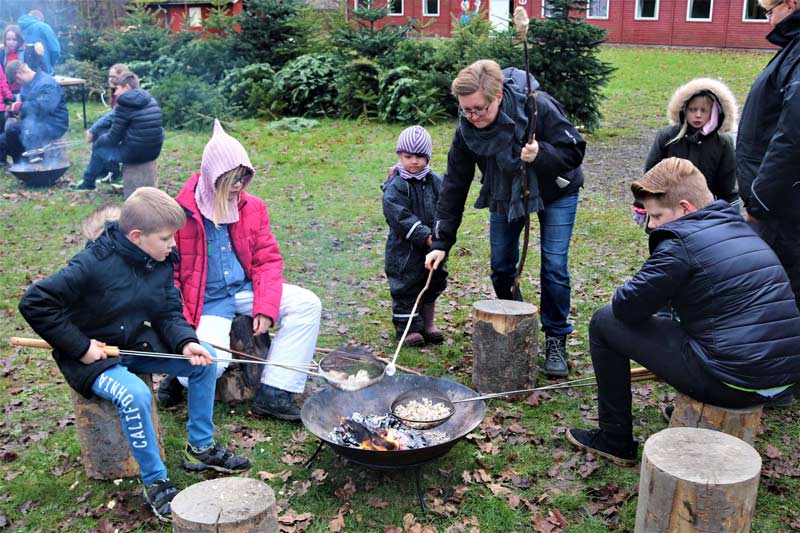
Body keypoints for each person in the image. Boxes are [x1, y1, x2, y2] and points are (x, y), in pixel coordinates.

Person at [18, 188, 251, 521]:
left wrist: (185, 341)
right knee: (136, 394)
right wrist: (81, 347)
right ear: (138, 236)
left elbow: (169, 311)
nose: (173, 245)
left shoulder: (158, 260)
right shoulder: (92, 264)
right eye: (167, 238)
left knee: (204, 361)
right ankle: (155, 481)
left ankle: (200, 448)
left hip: (134, 342)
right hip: (93, 356)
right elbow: (34, 302)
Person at [567, 158, 800, 466]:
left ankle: (614, 439)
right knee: (667, 319)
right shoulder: (739, 228)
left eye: (657, 215)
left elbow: (626, 307)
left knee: (603, 321)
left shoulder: (681, 243)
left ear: (686, 208)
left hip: (734, 382)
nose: (650, 225)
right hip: (782, 378)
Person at [424, 59, 585, 379]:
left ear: (497, 96)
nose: (472, 117)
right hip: (504, 191)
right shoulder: (466, 128)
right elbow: (455, 185)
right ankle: (521, 326)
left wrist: (541, 155)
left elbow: (574, 150)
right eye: (466, 110)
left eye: (479, 109)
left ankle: (555, 338)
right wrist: (441, 240)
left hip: (557, 189)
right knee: (501, 268)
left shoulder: (536, 106)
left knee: (553, 265)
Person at [166, 119, 322, 421]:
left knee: (307, 305)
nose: (240, 187)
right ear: (214, 178)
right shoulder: (178, 213)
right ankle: (176, 376)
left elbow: (267, 260)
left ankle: (275, 391)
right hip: (204, 303)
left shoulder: (253, 207)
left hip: (243, 291)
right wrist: (182, 332)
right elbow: (169, 279)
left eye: (244, 178)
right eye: (233, 180)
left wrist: (265, 306)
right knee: (210, 364)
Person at [736, 0, 800, 311]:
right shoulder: (793, 48)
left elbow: (791, 137)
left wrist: (759, 201)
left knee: (784, 299)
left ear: (790, 4)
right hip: (779, 207)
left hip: (783, 212)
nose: (768, 20)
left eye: (768, 10)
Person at [634, 77, 739, 227]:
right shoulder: (668, 136)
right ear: (684, 110)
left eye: (704, 110)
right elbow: (650, 173)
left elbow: (727, 186)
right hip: (667, 211)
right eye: (692, 109)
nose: (697, 115)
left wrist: (731, 216)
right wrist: (640, 203)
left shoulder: (722, 143)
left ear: (715, 112)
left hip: (702, 214)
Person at [382, 125, 448, 346]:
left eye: (420, 156)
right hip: (405, 249)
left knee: (433, 281)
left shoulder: (435, 181)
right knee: (406, 285)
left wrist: (440, 235)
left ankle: (428, 324)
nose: (414, 162)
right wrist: (424, 234)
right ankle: (407, 328)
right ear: (399, 155)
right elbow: (399, 215)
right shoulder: (396, 185)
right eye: (408, 156)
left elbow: (445, 207)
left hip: (433, 247)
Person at [70, 72, 163, 191]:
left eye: (118, 88)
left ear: (127, 87)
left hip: (135, 154)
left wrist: (97, 140)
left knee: (99, 149)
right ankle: (113, 174)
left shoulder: (124, 104)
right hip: (154, 151)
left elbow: (113, 138)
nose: (115, 93)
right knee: (107, 141)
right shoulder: (151, 99)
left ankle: (88, 183)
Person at [0, 60, 68, 166]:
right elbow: (29, 112)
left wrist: (20, 106)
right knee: (2, 140)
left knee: (13, 130)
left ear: (20, 72)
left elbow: (45, 108)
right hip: (36, 122)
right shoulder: (26, 86)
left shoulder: (47, 83)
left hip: (54, 123)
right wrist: (16, 113)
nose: (17, 84)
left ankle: (22, 165)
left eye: (16, 80)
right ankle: (23, 163)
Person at [80, 64, 130, 187]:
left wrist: (92, 130)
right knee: (100, 134)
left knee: (100, 138)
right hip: (123, 129)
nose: (110, 80)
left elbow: (114, 115)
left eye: (114, 77)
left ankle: (110, 172)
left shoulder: (125, 94)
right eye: (109, 77)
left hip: (129, 134)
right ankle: (109, 170)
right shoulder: (115, 92)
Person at [2, 25, 44, 95]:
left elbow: (37, 71)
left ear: (20, 39)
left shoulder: (29, 52)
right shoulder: (2, 53)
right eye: (8, 39)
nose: (11, 42)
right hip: (7, 91)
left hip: (25, 90)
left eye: (14, 39)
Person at [17, 10, 60, 75]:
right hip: (43, 70)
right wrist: (51, 65)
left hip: (22, 72)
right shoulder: (43, 26)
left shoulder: (17, 28)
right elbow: (55, 50)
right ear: (40, 19)